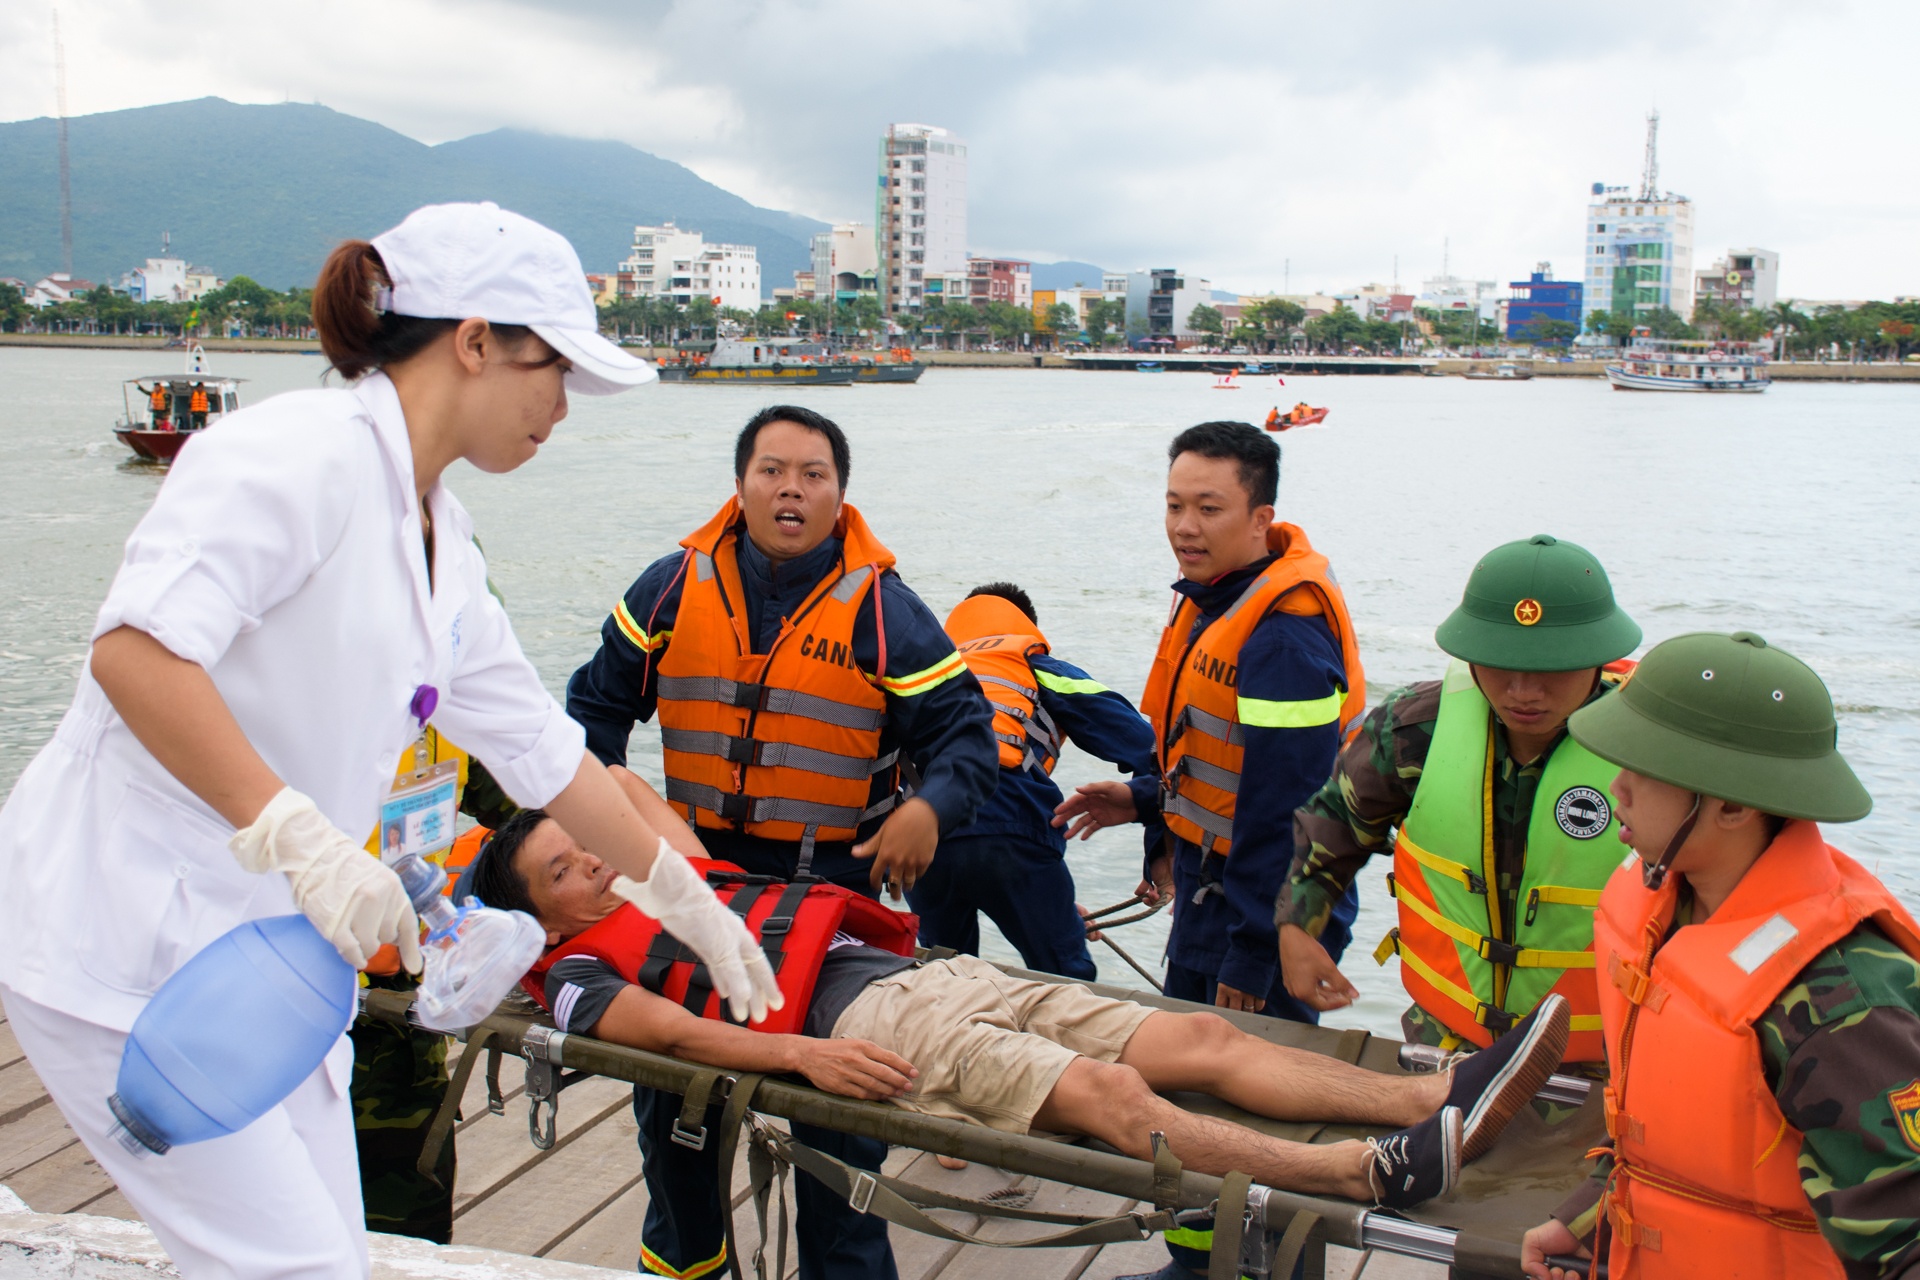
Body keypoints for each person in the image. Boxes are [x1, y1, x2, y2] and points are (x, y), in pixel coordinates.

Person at [0, 201, 778, 1280]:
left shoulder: (441, 537)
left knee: (331, 1252)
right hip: (122, 926)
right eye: (552, 368)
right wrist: (303, 837)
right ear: (473, 341)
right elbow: (136, 654)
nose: (562, 404)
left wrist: (683, 896)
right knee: (294, 1266)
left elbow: (545, 754)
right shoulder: (291, 455)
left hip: (271, 953)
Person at [473, 809, 1579, 1216]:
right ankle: (1363, 1169)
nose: (594, 866)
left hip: (942, 970)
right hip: (863, 1021)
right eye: (567, 870)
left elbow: (610, 783)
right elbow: (662, 1033)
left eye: (585, 847)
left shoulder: (670, 874)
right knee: (1107, 1095)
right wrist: (806, 1053)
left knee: (1196, 1032)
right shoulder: (568, 966)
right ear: (542, 913)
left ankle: (1438, 1091)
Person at [565, 405, 999, 1280]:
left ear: (841, 495)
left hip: (824, 897)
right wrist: (604, 827)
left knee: (839, 1124)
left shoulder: (888, 614)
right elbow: (590, 714)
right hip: (693, 890)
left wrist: (930, 809)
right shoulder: (669, 587)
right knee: (677, 1110)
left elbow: (966, 739)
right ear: (740, 485)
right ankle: (689, 1266)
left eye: (813, 475)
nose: (791, 489)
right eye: (772, 471)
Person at [1053, 421, 1364, 1279]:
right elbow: (1220, 761)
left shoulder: (1285, 634)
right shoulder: (1220, 598)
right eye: (1174, 505)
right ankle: (1201, 1263)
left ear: (1262, 517)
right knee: (1191, 1087)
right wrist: (1144, 797)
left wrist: (1256, 954)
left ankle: (1282, 1270)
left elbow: (1290, 811)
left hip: (1263, 905)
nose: (1186, 526)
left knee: (1270, 1108)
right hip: (1212, 885)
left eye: (1209, 508)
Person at [1520, 632, 1920, 1280]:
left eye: (1643, 770)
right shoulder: (1670, 908)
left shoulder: (1838, 1003)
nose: (1615, 788)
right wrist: (1589, 1220)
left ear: (1732, 806)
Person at [1276, 535, 1642, 1065]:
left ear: (1597, 658)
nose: (1522, 691)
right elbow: (1334, 821)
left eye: (1550, 667)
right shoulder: (1413, 731)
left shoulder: (1652, 762)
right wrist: (1297, 925)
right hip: (1445, 1046)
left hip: (1606, 1063)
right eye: (1499, 663)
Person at [908, 582, 1164, 981]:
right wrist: (1160, 853)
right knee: (1065, 978)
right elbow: (1154, 753)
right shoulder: (1037, 667)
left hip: (919, 836)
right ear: (1027, 627)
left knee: (945, 979)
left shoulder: (926, 676)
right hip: (1009, 819)